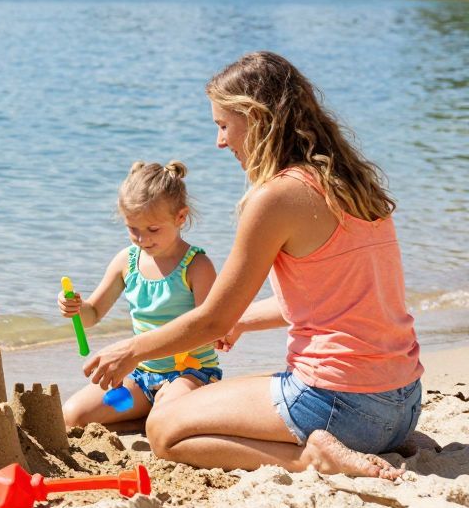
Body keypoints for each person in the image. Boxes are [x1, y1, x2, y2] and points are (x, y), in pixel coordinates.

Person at [85, 51, 422, 478]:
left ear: (257, 118)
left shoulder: (275, 198)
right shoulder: (356, 184)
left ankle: (311, 459)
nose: (220, 142)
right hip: (403, 405)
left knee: (164, 431)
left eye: (224, 126)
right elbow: (326, 302)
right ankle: (358, 440)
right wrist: (241, 321)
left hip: (342, 405)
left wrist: (130, 350)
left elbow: (210, 321)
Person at [59, 162, 219, 429]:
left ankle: (153, 417)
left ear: (180, 217)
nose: (142, 239)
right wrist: (76, 308)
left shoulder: (197, 266)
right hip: (141, 375)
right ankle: (144, 415)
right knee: (73, 416)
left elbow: (210, 328)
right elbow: (93, 315)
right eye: (133, 228)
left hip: (191, 374)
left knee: (164, 423)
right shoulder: (127, 261)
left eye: (153, 230)